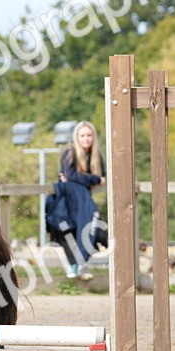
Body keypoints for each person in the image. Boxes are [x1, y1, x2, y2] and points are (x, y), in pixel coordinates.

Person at [56, 120, 107, 280]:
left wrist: (88, 179)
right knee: (67, 230)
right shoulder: (69, 152)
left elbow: (103, 175)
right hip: (67, 199)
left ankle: (82, 263)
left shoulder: (96, 155)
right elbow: (70, 175)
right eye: (83, 135)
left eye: (89, 135)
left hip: (84, 199)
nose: (86, 139)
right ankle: (75, 265)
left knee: (95, 230)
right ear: (76, 137)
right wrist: (94, 179)